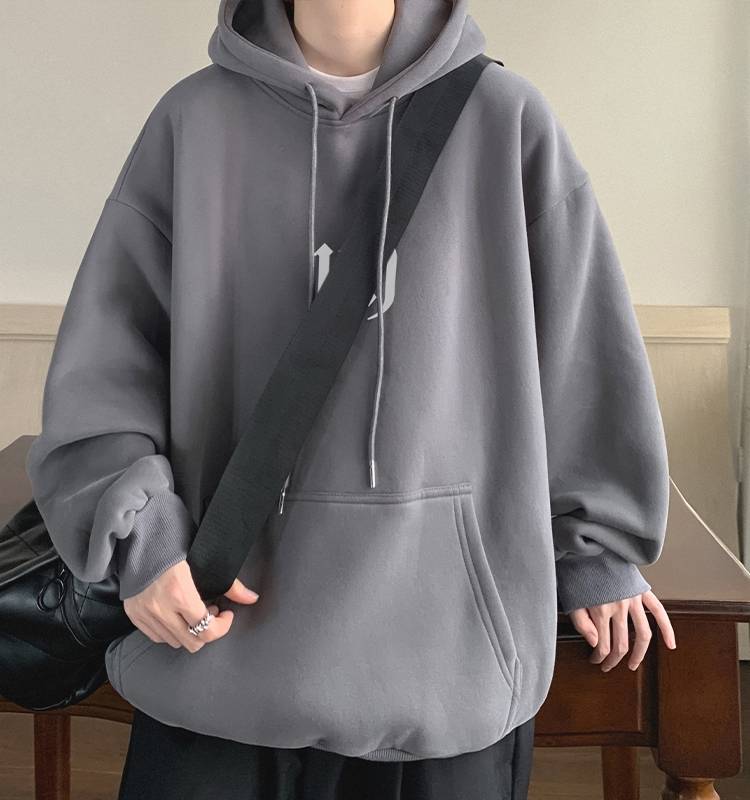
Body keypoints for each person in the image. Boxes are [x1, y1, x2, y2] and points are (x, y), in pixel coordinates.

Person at [25, 0, 677, 798]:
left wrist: (597, 547)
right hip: (216, 653)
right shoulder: (191, 122)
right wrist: (141, 539)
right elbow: (106, 366)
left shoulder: (506, 119)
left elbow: (581, 348)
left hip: (444, 664)